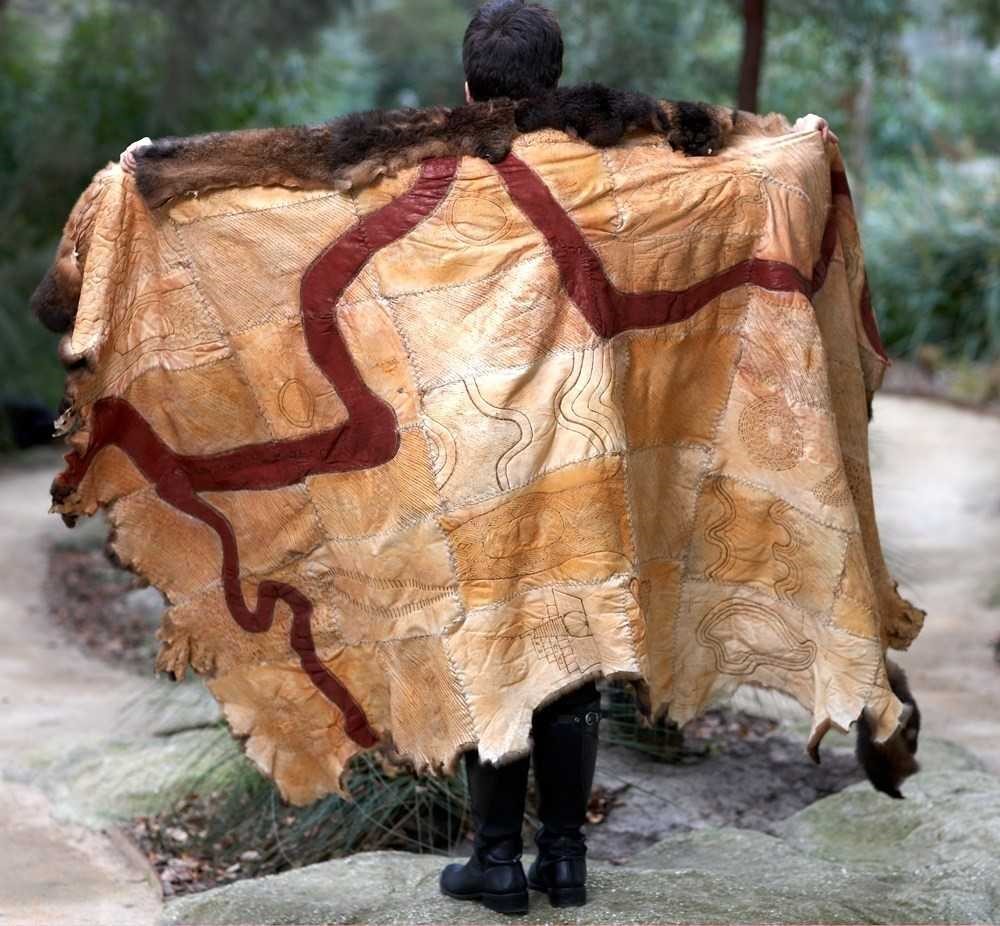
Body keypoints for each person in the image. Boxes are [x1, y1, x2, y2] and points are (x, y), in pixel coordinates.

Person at [118, 0, 839, 914]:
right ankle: (565, 861)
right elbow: (741, 181)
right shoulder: (619, 172)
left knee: (491, 648)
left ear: (467, 84)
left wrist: (157, 171)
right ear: (557, 78)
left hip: (470, 459)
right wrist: (800, 141)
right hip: (583, 450)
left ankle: (496, 862)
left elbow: (289, 200)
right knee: (575, 648)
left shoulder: (419, 176)